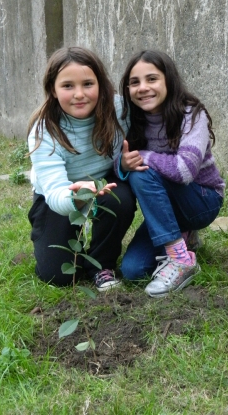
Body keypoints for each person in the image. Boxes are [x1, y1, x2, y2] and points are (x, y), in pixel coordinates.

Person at [115, 50, 225, 298]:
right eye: (135, 82)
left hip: (203, 200)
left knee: (141, 174)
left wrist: (144, 156)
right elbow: (116, 163)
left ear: (168, 81)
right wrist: (123, 163)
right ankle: (185, 238)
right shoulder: (131, 119)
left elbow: (184, 170)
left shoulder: (192, 115)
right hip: (168, 207)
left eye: (152, 79)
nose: (143, 88)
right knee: (132, 270)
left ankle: (180, 259)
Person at [27, 46, 136, 292]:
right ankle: (56, 235)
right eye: (67, 86)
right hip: (62, 192)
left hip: (103, 181)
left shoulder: (120, 110)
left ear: (101, 84)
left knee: (121, 199)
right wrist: (76, 196)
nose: (79, 94)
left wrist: (123, 165)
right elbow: (54, 192)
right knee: (58, 275)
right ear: (53, 90)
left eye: (88, 84)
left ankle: (101, 264)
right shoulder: (44, 132)